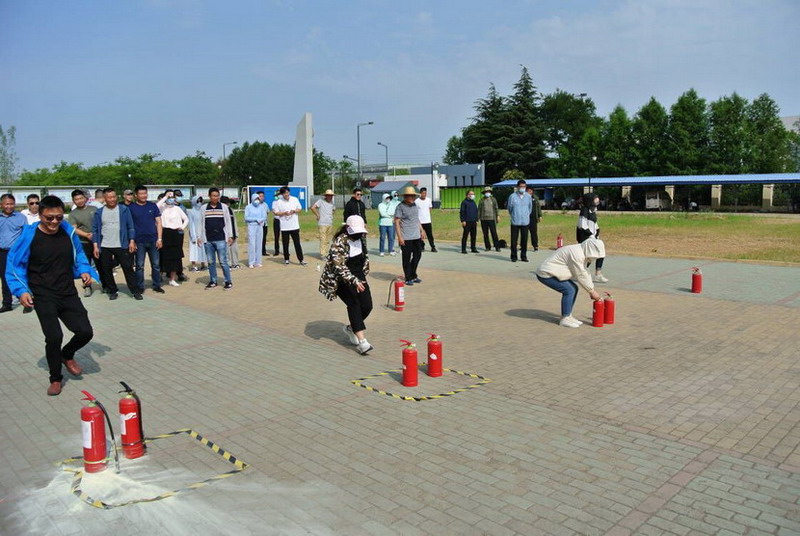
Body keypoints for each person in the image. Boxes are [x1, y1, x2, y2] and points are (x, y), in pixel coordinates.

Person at [5, 196, 97, 395]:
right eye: (49, 218)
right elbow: (14, 266)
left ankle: (67, 354)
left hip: (67, 292)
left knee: (85, 332)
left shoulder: (68, 232)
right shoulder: (28, 237)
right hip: (42, 294)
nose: (54, 222)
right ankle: (55, 378)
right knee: (54, 337)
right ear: (40, 215)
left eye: (58, 217)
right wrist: (21, 291)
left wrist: (84, 270)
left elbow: (79, 254)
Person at [318, 215, 373, 355]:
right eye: (355, 232)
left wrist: (362, 275)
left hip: (359, 276)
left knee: (367, 306)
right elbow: (339, 266)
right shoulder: (339, 242)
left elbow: (365, 257)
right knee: (354, 304)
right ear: (348, 228)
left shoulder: (361, 238)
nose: (359, 234)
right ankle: (363, 342)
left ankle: (351, 328)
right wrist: (354, 280)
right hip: (341, 279)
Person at [536, 237, 604, 328]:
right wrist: (591, 291)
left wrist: (592, 289)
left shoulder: (581, 251)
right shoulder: (577, 254)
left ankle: (568, 315)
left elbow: (584, 271)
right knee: (569, 290)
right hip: (546, 274)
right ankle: (565, 318)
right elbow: (580, 274)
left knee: (574, 288)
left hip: (553, 272)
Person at [92, 188, 140, 300]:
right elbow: (95, 230)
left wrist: (132, 241)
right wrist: (95, 245)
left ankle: (135, 291)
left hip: (122, 244)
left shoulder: (124, 210)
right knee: (106, 270)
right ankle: (112, 290)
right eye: (109, 197)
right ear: (105, 198)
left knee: (128, 268)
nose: (112, 199)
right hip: (105, 245)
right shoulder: (99, 212)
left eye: (114, 197)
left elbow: (130, 226)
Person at [129, 185, 164, 294]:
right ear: (136, 195)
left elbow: (159, 222)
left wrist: (159, 238)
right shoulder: (131, 207)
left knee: (156, 265)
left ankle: (157, 285)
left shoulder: (152, 206)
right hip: (139, 241)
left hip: (153, 240)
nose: (144, 196)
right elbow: (129, 225)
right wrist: (132, 240)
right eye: (141, 194)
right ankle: (140, 286)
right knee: (139, 266)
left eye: (145, 193)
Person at [198, 187, 234, 290]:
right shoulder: (204, 208)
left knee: (223, 261)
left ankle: (228, 281)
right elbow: (200, 223)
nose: (216, 198)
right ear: (209, 196)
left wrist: (230, 235)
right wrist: (199, 237)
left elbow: (228, 222)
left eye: (217, 196)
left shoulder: (223, 207)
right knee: (211, 262)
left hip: (221, 239)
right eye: (213, 196)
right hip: (208, 240)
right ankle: (213, 281)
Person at [68, 189, 101, 296]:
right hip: (83, 243)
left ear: (85, 198)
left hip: (97, 242)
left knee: (101, 265)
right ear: (73, 201)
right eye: (76, 199)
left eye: (81, 198)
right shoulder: (73, 214)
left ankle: (106, 285)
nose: (79, 201)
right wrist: (86, 235)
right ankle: (87, 286)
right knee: (84, 266)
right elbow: (74, 229)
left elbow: (100, 223)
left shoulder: (94, 209)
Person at [0, 194, 28, 312]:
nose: (9, 206)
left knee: (20, 275)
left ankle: (26, 301)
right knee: (5, 277)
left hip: (17, 252)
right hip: (2, 252)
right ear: (1, 204)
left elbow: (26, 235)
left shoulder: (21, 217)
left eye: (12, 204)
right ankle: (7, 303)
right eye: (7, 204)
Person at [394, 186, 426, 285]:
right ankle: (408, 277)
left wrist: (422, 230)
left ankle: (413, 274)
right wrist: (400, 237)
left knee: (418, 255)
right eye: (410, 196)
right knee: (406, 258)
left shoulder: (415, 205)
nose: (412, 198)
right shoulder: (400, 207)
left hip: (416, 235)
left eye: (413, 196)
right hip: (406, 236)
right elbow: (397, 222)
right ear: (405, 197)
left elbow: (416, 219)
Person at [157, 190, 189, 286]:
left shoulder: (177, 208)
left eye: (172, 197)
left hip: (176, 233)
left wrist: (182, 227)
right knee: (163, 255)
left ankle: (172, 278)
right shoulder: (162, 208)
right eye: (169, 197)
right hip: (165, 233)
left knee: (175, 256)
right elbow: (156, 206)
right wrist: (165, 197)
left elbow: (186, 219)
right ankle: (160, 275)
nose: (171, 199)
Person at [577, 192, 608, 283]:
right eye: (595, 198)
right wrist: (590, 235)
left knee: (600, 252)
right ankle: (581, 272)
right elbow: (582, 226)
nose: (597, 200)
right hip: (585, 238)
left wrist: (597, 233)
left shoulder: (593, 210)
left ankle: (597, 274)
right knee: (590, 256)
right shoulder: (584, 210)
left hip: (593, 238)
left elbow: (594, 224)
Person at [273, 186, 306, 266]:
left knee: (297, 243)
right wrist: (284, 213)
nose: (286, 194)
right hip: (284, 226)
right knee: (285, 243)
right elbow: (276, 212)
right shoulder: (279, 202)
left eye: (287, 192)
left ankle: (301, 259)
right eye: (284, 193)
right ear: (282, 194)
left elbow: (300, 209)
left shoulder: (294, 199)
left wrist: (294, 211)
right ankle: (286, 259)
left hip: (294, 225)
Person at [507, 179, 532, 262]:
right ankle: (514, 256)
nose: (522, 188)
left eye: (524, 187)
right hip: (515, 221)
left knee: (524, 240)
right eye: (521, 186)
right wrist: (514, 215)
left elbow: (530, 208)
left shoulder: (528, 196)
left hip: (525, 222)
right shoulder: (512, 196)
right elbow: (509, 208)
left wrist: (526, 215)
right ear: (517, 187)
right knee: (514, 240)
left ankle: (523, 256)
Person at [244, 193, 267, 268]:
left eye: (258, 199)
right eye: (255, 199)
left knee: (259, 244)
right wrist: (255, 219)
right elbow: (246, 217)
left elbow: (264, 216)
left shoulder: (261, 207)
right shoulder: (248, 207)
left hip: (259, 226)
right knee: (252, 244)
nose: (257, 200)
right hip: (251, 226)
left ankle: (258, 261)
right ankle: (251, 262)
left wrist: (260, 220)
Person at [311, 189, 336, 257]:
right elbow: (313, 207)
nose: (330, 197)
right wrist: (317, 215)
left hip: (330, 223)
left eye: (331, 196)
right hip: (322, 223)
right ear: (326, 196)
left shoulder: (332, 203)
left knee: (328, 240)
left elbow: (333, 210)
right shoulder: (321, 201)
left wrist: (331, 215)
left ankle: (326, 253)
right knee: (323, 239)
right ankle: (323, 254)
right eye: (329, 195)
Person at [187, 195, 207, 272]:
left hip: (202, 233)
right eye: (197, 201)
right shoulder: (191, 212)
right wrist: (193, 236)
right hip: (194, 233)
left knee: (203, 249)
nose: (199, 203)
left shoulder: (202, 211)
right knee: (194, 249)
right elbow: (191, 225)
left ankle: (203, 264)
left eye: (200, 201)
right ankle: (193, 266)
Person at [478, 186, 501, 252]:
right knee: (485, 234)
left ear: (490, 192)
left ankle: (497, 247)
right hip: (483, 219)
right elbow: (479, 209)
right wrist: (478, 218)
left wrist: (498, 215)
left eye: (488, 192)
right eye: (486, 192)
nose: (487, 193)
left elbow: (496, 208)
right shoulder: (481, 200)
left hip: (492, 218)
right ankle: (487, 246)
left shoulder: (493, 199)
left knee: (494, 233)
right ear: (484, 193)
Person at [221, 196, 241, 270]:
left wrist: (236, 232)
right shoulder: (221, 211)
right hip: (226, 234)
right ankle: (228, 264)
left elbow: (234, 221)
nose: (228, 204)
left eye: (228, 203)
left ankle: (235, 263)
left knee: (234, 250)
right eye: (227, 203)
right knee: (227, 251)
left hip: (234, 232)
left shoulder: (231, 210)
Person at [415, 187, 436, 252]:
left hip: (427, 221)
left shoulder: (428, 200)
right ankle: (422, 246)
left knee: (430, 235)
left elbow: (430, 208)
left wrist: (426, 214)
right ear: (420, 193)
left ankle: (433, 247)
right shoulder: (416, 201)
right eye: (423, 193)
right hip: (420, 221)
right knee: (420, 235)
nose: (424, 194)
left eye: (425, 193)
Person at [459, 190, 479, 254]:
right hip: (467, 221)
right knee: (465, 236)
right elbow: (462, 212)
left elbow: (476, 211)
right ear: (467, 195)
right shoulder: (464, 202)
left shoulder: (473, 202)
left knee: (473, 236)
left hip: (473, 221)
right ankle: (463, 249)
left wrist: (476, 219)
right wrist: (463, 220)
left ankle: (473, 248)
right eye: (471, 194)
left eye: (473, 194)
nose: (473, 195)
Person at [526, 186, 543, 251]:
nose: (529, 192)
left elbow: (538, 207)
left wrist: (540, 215)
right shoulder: (523, 198)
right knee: (524, 233)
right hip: (525, 218)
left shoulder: (535, 198)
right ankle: (523, 245)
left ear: (532, 191)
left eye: (530, 191)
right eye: (528, 191)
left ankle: (535, 246)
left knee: (534, 233)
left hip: (533, 218)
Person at [257, 191, 270, 257]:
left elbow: (267, 212)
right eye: (260, 196)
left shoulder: (265, 205)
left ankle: (263, 251)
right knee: (258, 238)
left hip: (264, 224)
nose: (262, 197)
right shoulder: (255, 205)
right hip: (258, 224)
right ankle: (257, 251)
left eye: (263, 196)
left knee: (264, 238)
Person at [271, 192, 282, 256]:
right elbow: (274, 211)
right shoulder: (274, 202)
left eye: (279, 195)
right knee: (276, 236)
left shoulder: (284, 202)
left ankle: (286, 250)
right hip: (277, 220)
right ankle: (276, 250)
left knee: (285, 236)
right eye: (277, 195)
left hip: (283, 220)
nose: (278, 196)